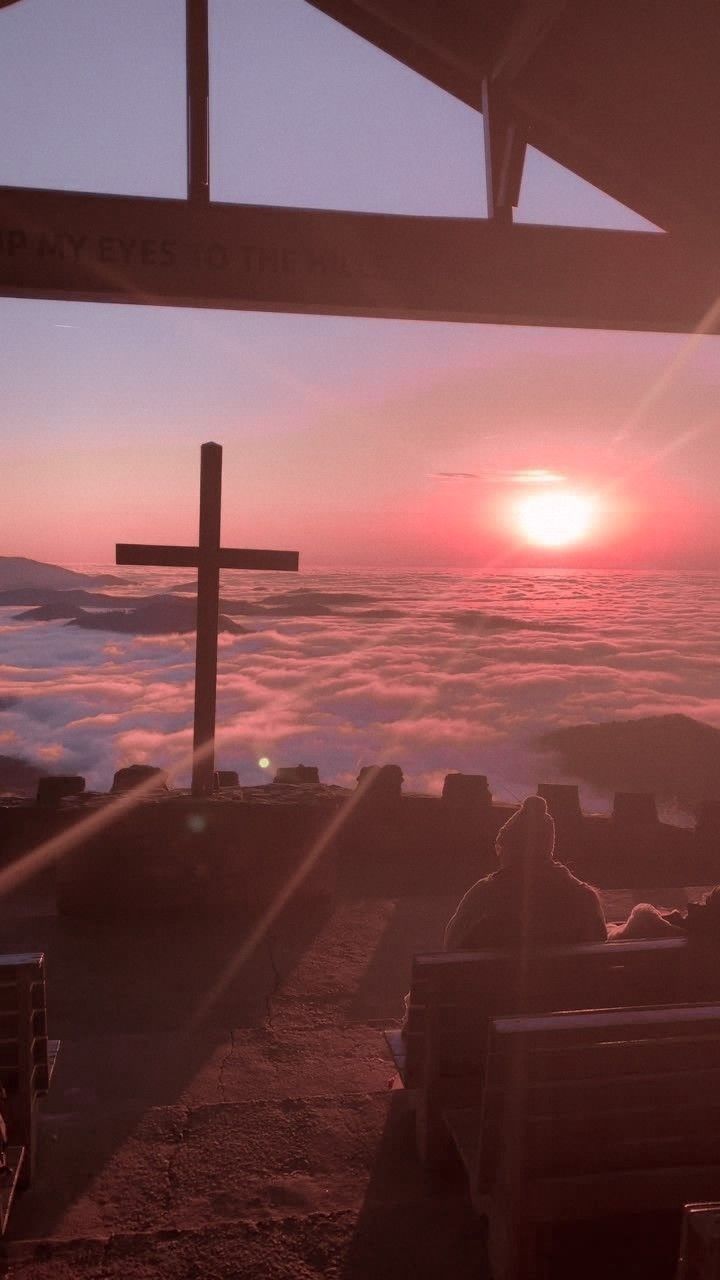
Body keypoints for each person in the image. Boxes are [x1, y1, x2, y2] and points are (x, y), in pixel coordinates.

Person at [444, 794, 607, 950]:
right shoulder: (585, 897)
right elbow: (600, 942)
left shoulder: (484, 895)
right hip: (569, 978)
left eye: (502, 848)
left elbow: (452, 945)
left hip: (500, 979)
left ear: (510, 849)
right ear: (548, 847)